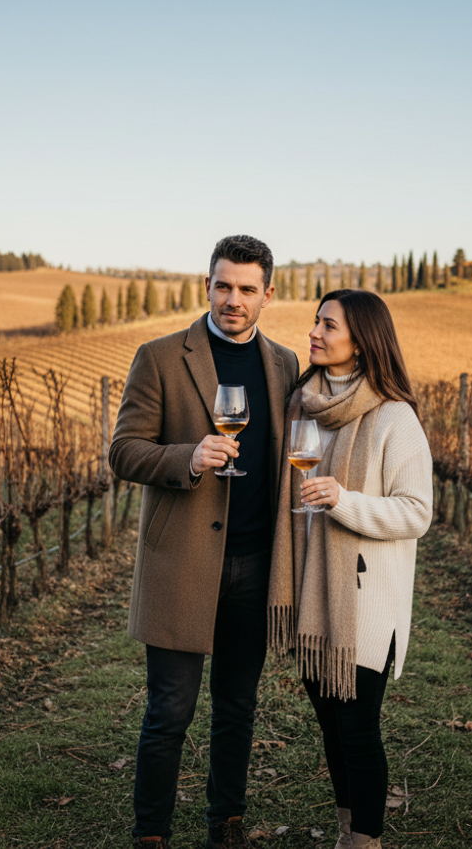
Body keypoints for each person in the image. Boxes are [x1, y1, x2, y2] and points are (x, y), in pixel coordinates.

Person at [109, 235, 299, 849]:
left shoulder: (285, 365)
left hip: (255, 562)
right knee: (170, 712)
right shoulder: (161, 357)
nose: (233, 300)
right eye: (223, 286)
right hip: (184, 563)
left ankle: (227, 823)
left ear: (268, 294)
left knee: (238, 708)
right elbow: (123, 452)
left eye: (247, 289)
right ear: (207, 285)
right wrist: (189, 457)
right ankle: (151, 834)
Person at [268, 289, 433, 849]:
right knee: (331, 729)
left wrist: (343, 500)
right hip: (315, 595)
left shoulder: (395, 418)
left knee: (358, 731)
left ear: (361, 342)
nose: (314, 331)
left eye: (328, 325)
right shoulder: (301, 405)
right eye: (315, 321)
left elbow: (417, 512)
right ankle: (346, 834)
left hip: (365, 604)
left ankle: (366, 842)